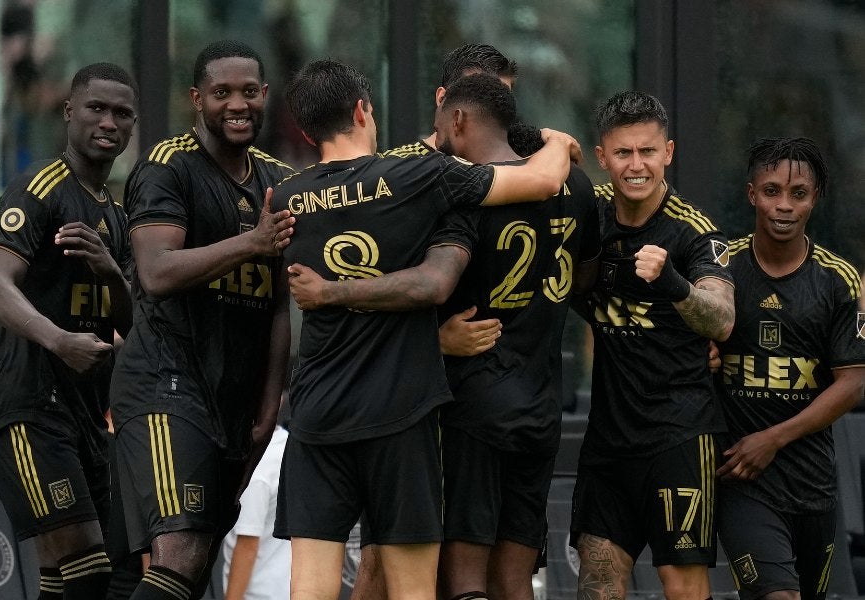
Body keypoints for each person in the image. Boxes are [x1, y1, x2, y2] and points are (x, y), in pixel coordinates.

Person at [272, 58, 578, 600]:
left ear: (303, 129)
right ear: (364, 109)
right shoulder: (413, 177)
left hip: (318, 411)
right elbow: (543, 180)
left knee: (310, 590)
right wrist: (556, 139)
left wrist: (325, 292)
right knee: (414, 589)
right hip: (399, 413)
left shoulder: (284, 196)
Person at [109, 40, 295, 600]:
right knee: (179, 555)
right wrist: (253, 242)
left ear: (265, 96)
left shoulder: (279, 180)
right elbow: (157, 271)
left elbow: (280, 302)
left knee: (195, 568)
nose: (237, 105)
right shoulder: (168, 167)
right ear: (197, 99)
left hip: (236, 403)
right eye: (221, 94)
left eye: (248, 92)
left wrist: (269, 402)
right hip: (167, 386)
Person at [0, 62, 138, 599]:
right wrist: (59, 340)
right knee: (90, 570)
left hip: (85, 415)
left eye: (122, 113)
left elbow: (129, 323)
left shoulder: (113, 214)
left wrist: (113, 273)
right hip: (28, 406)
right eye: (96, 108)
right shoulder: (41, 187)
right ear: (70, 111)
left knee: (67, 576)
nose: (109, 122)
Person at [570, 90, 735, 600]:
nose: (636, 165)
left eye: (647, 151)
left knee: (682, 585)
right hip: (608, 442)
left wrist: (674, 285)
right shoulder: (589, 215)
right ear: (602, 157)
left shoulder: (693, 233)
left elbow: (723, 319)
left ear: (669, 152)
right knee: (597, 583)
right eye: (623, 153)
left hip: (679, 438)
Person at [714, 137, 865, 600]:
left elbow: (854, 383)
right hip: (741, 480)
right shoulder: (721, 267)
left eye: (798, 193)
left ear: (815, 198)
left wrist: (774, 439)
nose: (784, 205)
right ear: (751, 193)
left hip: (812, 485)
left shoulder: (838, 280)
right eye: (772, 190)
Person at [221, 422, 290, 600]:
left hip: (255, 594)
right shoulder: (289, 445)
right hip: (286, 588)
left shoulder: (256, 468)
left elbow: (247, 546)